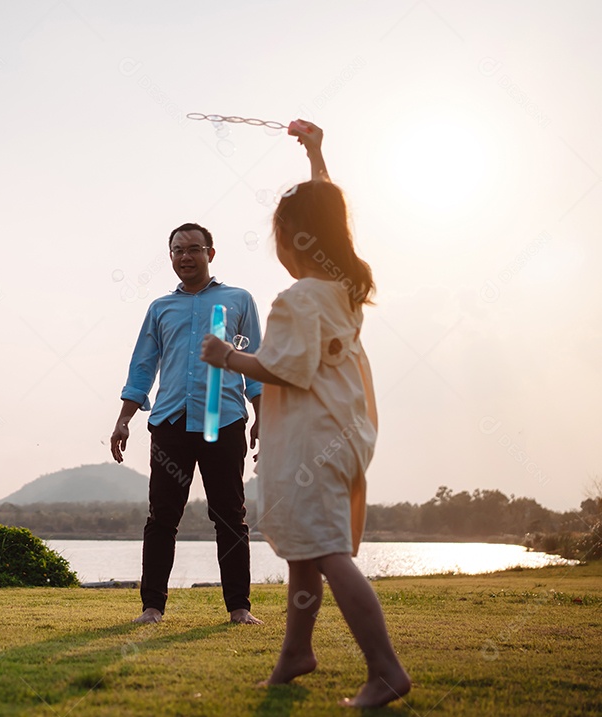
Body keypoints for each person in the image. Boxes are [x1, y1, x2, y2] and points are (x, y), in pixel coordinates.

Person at [199, 121, 411, 708]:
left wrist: (227, 355)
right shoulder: (342, 286)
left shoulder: (296, 299)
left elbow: (284, 367)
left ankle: (386, 668)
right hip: (345, 434)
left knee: (326, 553)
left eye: (281, 237)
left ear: (293, 240)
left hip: (311, 439)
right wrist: (318, 155)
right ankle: (296, 651)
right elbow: (328, 211)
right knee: (307, 546)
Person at [111, 222, 264, 626]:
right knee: (162, 517)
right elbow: (142, 366)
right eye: (178, 250)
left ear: (211, 253)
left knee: (230, 517)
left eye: (194, 249)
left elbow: (258, 366)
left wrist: (263, 416)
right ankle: (152, 607)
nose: (186, 257)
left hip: (223, 420)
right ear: (171, 257)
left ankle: (239, 608)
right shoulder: (160, 308)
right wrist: (124, 419)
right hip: (170, 422)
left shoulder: (239, 300)